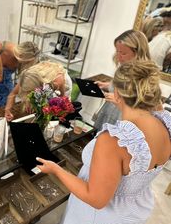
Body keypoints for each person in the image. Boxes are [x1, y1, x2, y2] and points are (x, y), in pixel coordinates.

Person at [37, 60, 171, 224]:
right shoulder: (165, 121)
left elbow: (96, 199)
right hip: (133, 212)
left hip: (98, 217)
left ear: (118, 94)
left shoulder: (114, 141)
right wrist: (123, 102)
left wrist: (56, 170)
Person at [93, 30, 151, 130]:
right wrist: (107, 85)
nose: (119, 57)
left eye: (123, 53)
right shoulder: (124, 66)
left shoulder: (144, 76)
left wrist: (119, 101)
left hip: (122, 121)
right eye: (117, 51)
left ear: (138, 52)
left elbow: (143, 108)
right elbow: (122, 87)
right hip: (109, 113)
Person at [5, 61, 72, 121]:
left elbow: (63, 101)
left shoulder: (58, 81)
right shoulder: (28, 77)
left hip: (59, 81)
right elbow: (13, 94)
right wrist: (7, 109)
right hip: (44, 82)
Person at [0, 40, 40, 108]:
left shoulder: (27, 62)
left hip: (5, 86)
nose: (21, 62)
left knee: (4, 108)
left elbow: (23, 80)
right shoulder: (1, 48)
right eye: (22, 59)